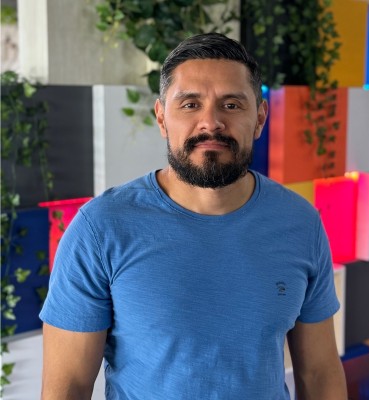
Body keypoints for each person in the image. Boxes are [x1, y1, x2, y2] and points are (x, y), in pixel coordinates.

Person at [40, 33, 347, 399]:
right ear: (161, 118)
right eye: (190, 104)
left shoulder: (300, 223)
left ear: (260, 118)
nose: (210, 123)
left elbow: (320, 372)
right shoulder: (100, 228)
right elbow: (69, 386)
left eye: (231, 104)